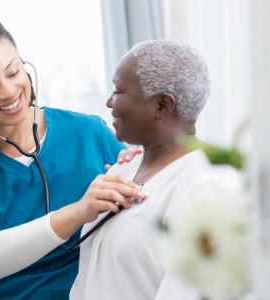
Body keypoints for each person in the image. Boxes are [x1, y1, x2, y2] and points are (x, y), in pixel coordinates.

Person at [0, 8, 144, 300]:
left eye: (13, 71)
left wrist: (145, 166)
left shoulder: (90, 133)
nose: (8, 92)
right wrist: (79, 210)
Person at [69, 40, 241, 300]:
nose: (109, 102)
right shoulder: (123, 168)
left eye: (118, 91)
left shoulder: (210, 187)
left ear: (162, 105)